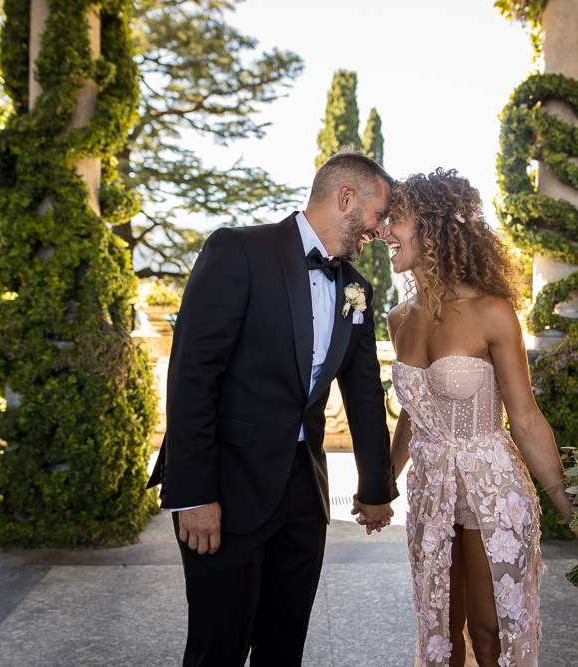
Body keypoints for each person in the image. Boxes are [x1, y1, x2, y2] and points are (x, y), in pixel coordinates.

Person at [148, 148, 399, 666]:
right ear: (345, 197)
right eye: (378, 215)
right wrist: (193, 494)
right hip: (227, 486)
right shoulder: (238, 250)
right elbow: (193, 377)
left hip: (304, 495)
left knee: (284, 647)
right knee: (217, 649)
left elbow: (365, 395)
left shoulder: (356, 289)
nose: (379, 229)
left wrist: (376, 489)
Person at [357, 168, 578, 666]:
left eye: (395, 219)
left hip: (492, 491)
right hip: (431, 493)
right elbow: (412, 418)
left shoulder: (492, 312)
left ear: (435, 226)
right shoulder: (399, 318)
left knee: (489, 635)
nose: (382, 231)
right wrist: (381, 488)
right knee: (440, 636)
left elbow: (525, 419)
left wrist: (574, 513)